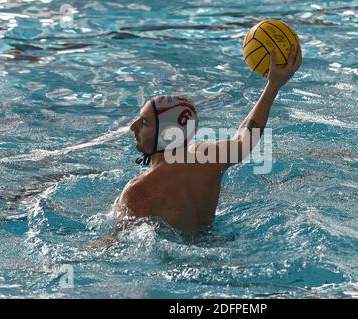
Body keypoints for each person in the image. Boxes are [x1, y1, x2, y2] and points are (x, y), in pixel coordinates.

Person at [116, 45, 302, 234]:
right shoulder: (208, 158)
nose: (133, 126)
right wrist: (273, 85)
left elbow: (117, 244)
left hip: (176, 261)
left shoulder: (139, 190)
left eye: (145, 122)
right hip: (217, 244)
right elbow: (246, 137)